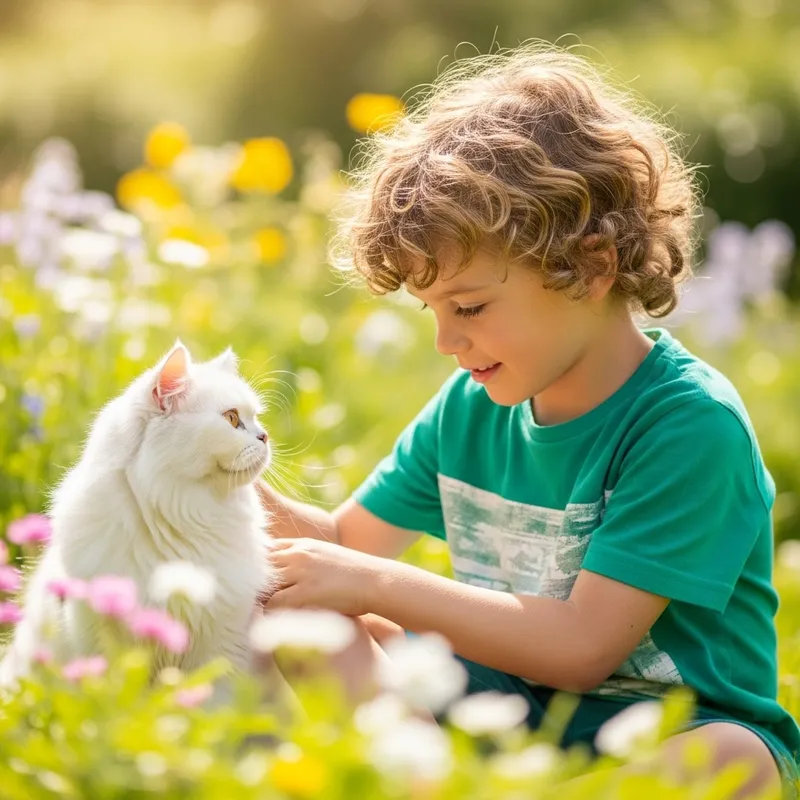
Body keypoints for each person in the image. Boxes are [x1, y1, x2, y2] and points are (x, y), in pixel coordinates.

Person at [256, 42, 800, 798]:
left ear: (593, 266)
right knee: (321, 626)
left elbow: (581, 648)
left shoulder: (686, 425)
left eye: (470, 307)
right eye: (433, 312)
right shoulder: (469, 407)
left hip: (661, 737)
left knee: (733, 759)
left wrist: (365, 578)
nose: (448, 342)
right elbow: (345, 548)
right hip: (496, 722)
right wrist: (239, 501)